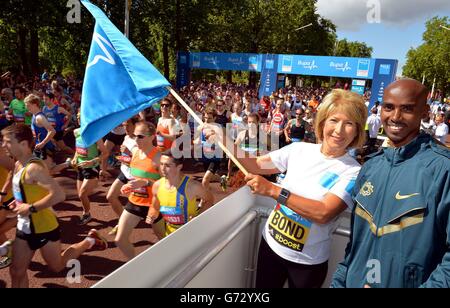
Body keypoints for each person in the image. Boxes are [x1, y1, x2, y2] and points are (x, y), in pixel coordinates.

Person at [207, 89, 367, 288]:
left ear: (358, 130)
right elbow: (255, 165)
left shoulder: (353, 171)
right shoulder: (299, 150)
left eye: (349, 123)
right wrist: (225, 140)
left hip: (308, 264)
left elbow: (323, 213)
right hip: (270, 247)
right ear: (322, 122)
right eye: (334, 120)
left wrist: (273, 191)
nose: (339, 130)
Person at [331, 79, 450, 288]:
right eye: (389, 107)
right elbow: (356, 245)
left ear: (424, 112)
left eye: (407, 109)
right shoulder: (370, 166)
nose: (395, 117)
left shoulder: (443, 170)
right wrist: (339, 282)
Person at [1, 124, 107, 288]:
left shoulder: (33, 168)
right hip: (25, 227)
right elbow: (28, 190)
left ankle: (89, 241)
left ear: (22, 144)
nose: (3, 145)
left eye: (7, 142)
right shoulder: (18, 164)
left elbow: (58, 195)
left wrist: (30, 208)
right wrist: (19, 201)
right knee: (16, 271)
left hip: (44, 227)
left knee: (57, 266)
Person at [116, 121, 161, 260]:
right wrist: (128, 186)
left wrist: (146, 182)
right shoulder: (134, 152)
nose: (136, 139)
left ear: (152, 136)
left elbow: (169, 184)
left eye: (140, 136)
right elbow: (136, 176)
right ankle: (135, 266)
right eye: (135, 136)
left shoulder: (159, 156)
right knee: (120, 240)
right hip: (135, 201)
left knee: (166, 240)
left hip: (155, 205)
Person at [146, 150, 214, 238]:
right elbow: (155, 207)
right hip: (170, 234)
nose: (162, 168)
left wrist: (198, 216)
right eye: (161, 164)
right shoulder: (157, 186)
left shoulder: (192, 186)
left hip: (193, 234)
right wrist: (152, 215)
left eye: (167, 165)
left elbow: (210, 199)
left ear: (179, 167)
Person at [71, 112, 110, 225]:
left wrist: (93, 161)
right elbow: (78, 149)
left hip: (91, 168)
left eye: (81, 117)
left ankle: (86, 214)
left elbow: (106, 153)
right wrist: (74, 158)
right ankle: (86, 213)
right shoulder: (76, 132)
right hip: (80, 168)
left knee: (82, 194)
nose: (79, 119)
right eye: (77, 117)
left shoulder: (95, 134)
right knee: (81, 196)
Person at [106, 118, 138, 235]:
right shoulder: (125, 137)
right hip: (124, 172)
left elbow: (141, 161)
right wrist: (122, 156)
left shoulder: (139, 140)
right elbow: (126, 158)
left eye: (128, 125)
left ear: (135, 125)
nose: (125, 127)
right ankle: (122, 221)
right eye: (124, 125)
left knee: (139, 206)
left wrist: (128, 154)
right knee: (110, 196)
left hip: (135, 176)